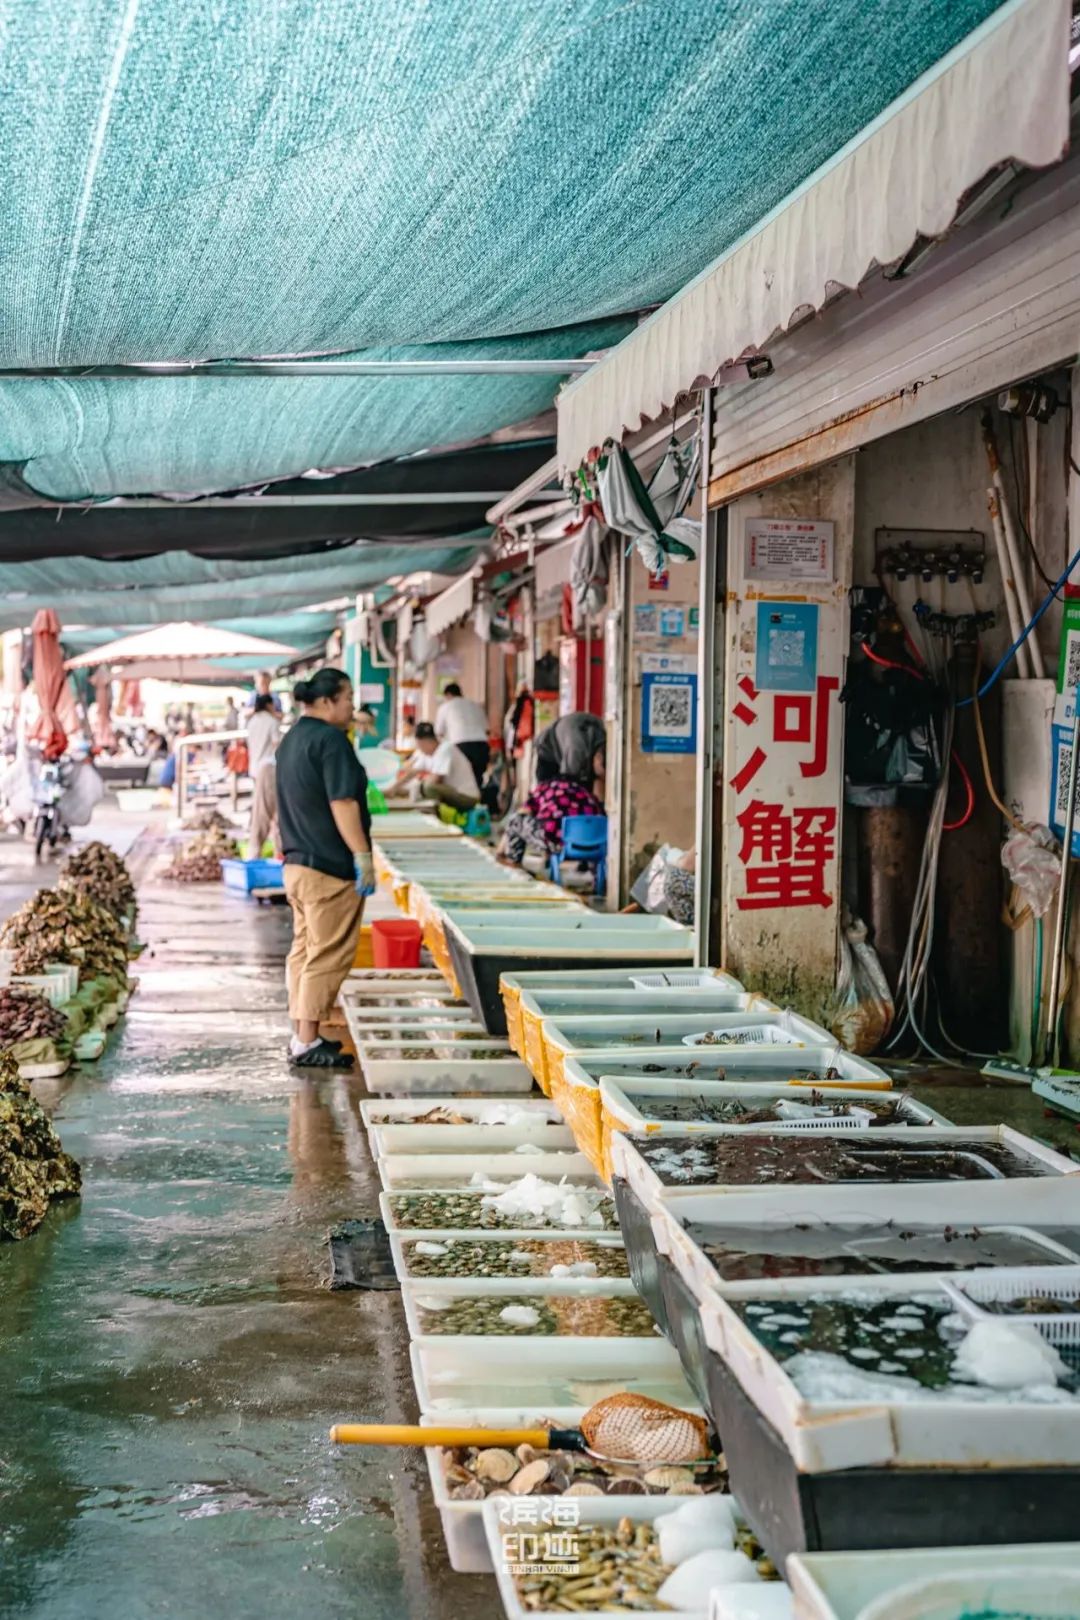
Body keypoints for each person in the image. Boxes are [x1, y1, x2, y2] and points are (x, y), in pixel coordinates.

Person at [275, 668, 375, 1070]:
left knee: (304, 951)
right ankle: (305, 1040)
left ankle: (304, 1035)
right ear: (328, 701)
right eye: (348, 697)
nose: (353, 705)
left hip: (297, 865)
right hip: (328, 869)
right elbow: (344, 803)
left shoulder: (293, 738)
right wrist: (362, 854)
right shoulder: (332, 742)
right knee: (326, 955)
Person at [499, 772, 604, 866]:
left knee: (516, 820)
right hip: (594, 846)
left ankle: (513, 860)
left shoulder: (545, 788)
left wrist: (502, 845)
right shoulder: (584, 792)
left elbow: (523, 812)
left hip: (559, 845)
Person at [392, 721, 479, 811]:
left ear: (425, 743)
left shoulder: (445, 749)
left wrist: (416, 785)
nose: (420, 749)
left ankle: (437, 816)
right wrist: (393, 788)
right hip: (453, 792)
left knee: (429, 787)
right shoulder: (427, 753)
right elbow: (412, 773)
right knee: (421, 786)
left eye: (420, 746)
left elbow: (436, 780)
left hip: (467, 797)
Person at [434, 681, 490, 790]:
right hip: (482, 745)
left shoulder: (445, 706)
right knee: (477, 779)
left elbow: (439, 732)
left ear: (448, 695)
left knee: (462, 780)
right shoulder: (475, 705)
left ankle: (467, 803)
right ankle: (479, 802)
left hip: (461, 745)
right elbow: (487, 730)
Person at [247, 694, 281, 855]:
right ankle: (265, 854)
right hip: (269, 769)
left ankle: (262, 853)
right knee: (271, 814)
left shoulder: (252, 722)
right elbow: (277, 744)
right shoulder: (271, 721)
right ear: (268, 705)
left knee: (261, 810)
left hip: (255, 769)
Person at [535, 711, 605, 788]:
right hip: (549, 748)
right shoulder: (575, 754)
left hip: (568, 733)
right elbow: (568, 783)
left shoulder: (599, 741)